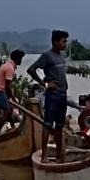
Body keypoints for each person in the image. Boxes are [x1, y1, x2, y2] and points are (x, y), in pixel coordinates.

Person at [27, 29, 70, 163]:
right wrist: (44, 84)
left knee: (59, 126)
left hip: (62, 95)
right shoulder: (47, 56)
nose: (65, 44)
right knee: (47, 124)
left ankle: (59, 154)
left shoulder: (62, 58)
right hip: (53, 96)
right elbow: (31, 70)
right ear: (55, 42)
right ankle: (44, 155)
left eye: (66, 41)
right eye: (63, 41)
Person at [0, 49, 25, 134]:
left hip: (0, 91)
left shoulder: (8, 65)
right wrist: (13, 99)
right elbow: (8, 87)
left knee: (10, 109)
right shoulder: (10, 68)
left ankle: (13, 127)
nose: (21, 61)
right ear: (16, 59)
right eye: (20, 59)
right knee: (7, 111)